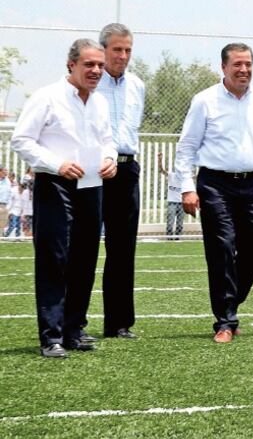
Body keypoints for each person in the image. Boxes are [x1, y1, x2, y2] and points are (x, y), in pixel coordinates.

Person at [173, 42, 253, 344]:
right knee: (222, 247)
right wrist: (186, 187)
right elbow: (186, 147)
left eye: (248, 64)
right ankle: (225, 320)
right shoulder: (205, 101)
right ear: (223, 67)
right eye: (237, 64)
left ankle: (230, 303)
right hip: (214, 185)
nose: (244, 70)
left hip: (252, 184)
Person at [11, 39, 117, 357]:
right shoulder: (48, 97)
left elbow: (107, 140)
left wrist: (110, 159)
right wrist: (57, 164)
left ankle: (74, 330)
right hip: (55, 183)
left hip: (91, 183)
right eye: (89, 64)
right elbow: (21, 139)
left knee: (85, 256)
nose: (96, 70)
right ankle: (51, 336)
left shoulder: (100, 103)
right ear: (71, 65)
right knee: (54, 258)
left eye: (100, 65)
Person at [95, 23, 145, 340]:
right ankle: (73, 324)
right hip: (94, 170)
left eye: (127, 50)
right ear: (103, 50)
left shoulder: (137, 86)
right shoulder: (89, 82)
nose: (123, 56)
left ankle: (118, 323)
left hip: (127, 171)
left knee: (123, 250)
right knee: (81, 248)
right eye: (117, 49)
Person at [157, 151, 185, 240]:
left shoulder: (185, 178)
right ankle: (169, 238)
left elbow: (195, 177)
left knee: (180, 224)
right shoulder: (171, 175)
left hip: (181, 203)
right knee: (170, 222)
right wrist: (160, 160)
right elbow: (161, 170)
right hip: (172, 202)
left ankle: (177, 239)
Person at [0, 166, 10, 233]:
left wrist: (8, 206)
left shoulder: (7, 181)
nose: (6, 172)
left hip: (4, 205)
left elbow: (10, 193)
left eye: (6, 171)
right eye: (4, 171)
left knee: (2, 224)